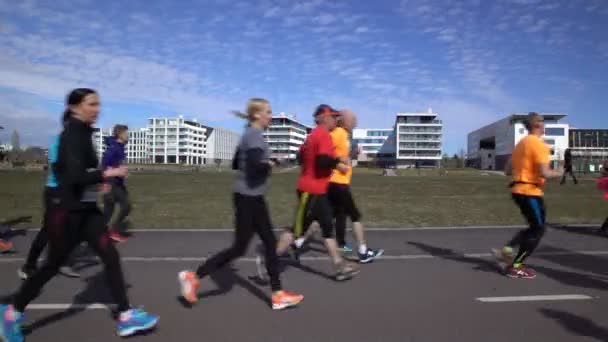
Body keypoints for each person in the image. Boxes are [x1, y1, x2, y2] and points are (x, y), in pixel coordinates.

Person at [0, 88, 158, 342]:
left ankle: (126, 315)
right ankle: (12, 312)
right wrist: (108, 174)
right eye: (91, 104)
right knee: (52, 265)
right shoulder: (72, 134)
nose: (96, 108)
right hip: (66, 212)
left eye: (98, 104)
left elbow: (79, 174)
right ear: (75, 107)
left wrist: (97, 183)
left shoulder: (84, 133)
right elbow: (73, 176)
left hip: (86, 210)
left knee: (110, 255)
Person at [178, 98, 303, 310]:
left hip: (252, 197)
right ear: (257, 115)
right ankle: (194, 276)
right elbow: (254, 167)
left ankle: (277, 294)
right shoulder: (253, 135)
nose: (271, 116)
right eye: (268, 112)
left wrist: (264, 162)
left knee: (265, 245)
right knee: (240, 248)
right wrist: (271, 163)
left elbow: (237, 162)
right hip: (248, 199)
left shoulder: (249, 134)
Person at [274, 104, 359, 281]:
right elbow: (322, 160)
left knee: (327, 230)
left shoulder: (312, 136)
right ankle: (270, 259)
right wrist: (338, 163)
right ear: (324, 118)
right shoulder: (323, 135)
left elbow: (302, 155)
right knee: (296, 230)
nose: (336, 120)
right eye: (333, 117)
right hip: (310, 191)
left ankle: (339, 267)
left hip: (318, 190)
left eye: (337, 117)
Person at [294, 109, 383, 263]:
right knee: (355, 215)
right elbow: (325, 154)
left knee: (321, 218)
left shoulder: (343, 135)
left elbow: (339, 155)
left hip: (335, 182)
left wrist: (351, 155)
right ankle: (363, 251)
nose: (355, 122)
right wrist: (338, 160)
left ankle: (298, 242)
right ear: (344, 120)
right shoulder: (338, 133)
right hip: (337, 183)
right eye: (353, 119)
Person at [493, 113, 563, 279]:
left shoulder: (520, 144)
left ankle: (507, 251)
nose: (545, 125)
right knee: (538, 230)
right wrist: (560, 171)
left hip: (518, 191)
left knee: (534, 227)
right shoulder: (538, 144)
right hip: (530, 192)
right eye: (543, 121)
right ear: (537, 124)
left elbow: (507, 171)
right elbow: (545, 172)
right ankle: (516, 266)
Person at [18, 114, 81, 280]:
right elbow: (60, 170)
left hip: (68, 192)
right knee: (48, 231)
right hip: (55, 192)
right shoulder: (57, 143)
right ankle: (28, 266)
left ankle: (62, 261)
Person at [102, 124, 132, 243]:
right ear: (120, 134)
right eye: (126, 133)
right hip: (111, 183)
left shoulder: (120, 146)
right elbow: (104, 164)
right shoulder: (114, 148)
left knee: (108, 210)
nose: (128, 135)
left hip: (118, 183)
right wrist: (112, 174)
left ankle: (94, 231)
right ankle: (113, 231)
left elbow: (117, 164)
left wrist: (122, 172)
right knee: (126, 206)